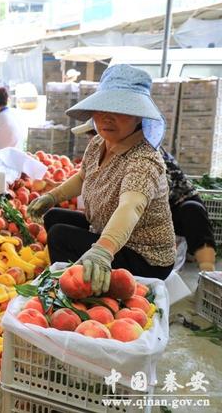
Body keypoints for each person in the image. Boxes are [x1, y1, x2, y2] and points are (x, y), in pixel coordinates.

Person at [27, 64, 176, 295]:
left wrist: (103, 251)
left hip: (145, 257)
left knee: (60, 236)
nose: (107, 117)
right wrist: (52, 196)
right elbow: (83, 176)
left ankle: (75, 292)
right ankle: (79, 277)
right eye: (102, 107)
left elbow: (131, 206)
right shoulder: (99, 143)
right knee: (55, 216)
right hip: (109, 231)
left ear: (139, 117)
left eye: (121, 110)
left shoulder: (144, 159)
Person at [72, 119, 217, 271]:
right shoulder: (106, 150)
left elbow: (139, 198)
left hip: (172, 208)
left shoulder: (145, 155)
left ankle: (207, 273)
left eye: (92, 134)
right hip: (141, 217)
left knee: (192, 210)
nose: (94, 139)